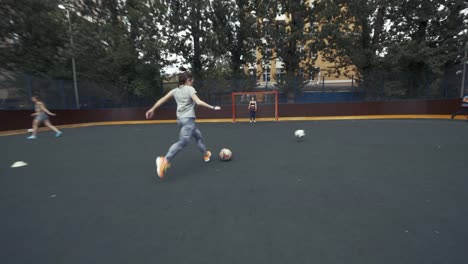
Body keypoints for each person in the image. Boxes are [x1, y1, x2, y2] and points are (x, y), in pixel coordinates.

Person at [145, 68, 221, 178]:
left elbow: (162, 100)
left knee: (198, 136)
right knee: (183, 143)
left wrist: (152, 109)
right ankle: (164, 160)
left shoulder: (175, 91)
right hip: (188, 121)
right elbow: (198, 102)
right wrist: (213, 107)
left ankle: (205, 154)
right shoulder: (190, 89)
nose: (193, 82)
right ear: (188, 80)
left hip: (181, 120)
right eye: (192, 80)